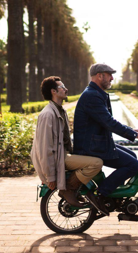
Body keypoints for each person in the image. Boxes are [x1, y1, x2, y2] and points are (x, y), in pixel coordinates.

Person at [73, 63, 138, 216]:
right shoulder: (92, 96)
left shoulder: (95, 93)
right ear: (99, 76)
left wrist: (133, 130)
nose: (112, 78)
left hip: (95, 143)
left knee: (133, 157)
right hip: (90, 147)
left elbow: (106, 121)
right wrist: (134, 135)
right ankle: (101, 194)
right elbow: (109, 123)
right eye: (109, 75)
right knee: (133, 164)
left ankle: (115, 196)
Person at [31, 76, 104, 208]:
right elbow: (44, 149)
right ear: (53, 91)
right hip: (58, 158)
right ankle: (69, 189)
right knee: (96, 163)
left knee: (95, 157)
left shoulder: (59, 110)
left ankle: (76, 189)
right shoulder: (48, 114)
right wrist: (50, 177)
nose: (66, 89)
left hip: (62, 155)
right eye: (62, 87)